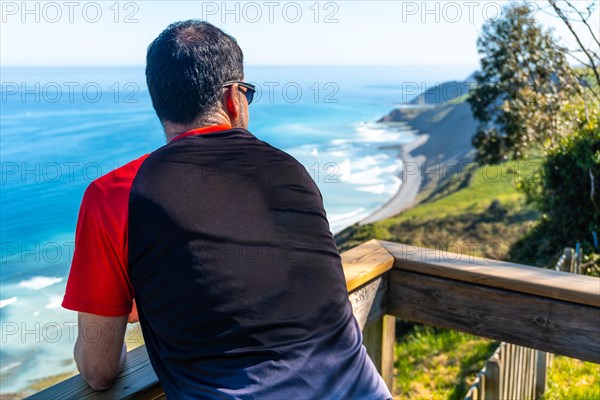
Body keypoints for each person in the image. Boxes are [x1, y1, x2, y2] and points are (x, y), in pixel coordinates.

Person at [62, 20, 392, 399]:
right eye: (247, 94)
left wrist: (135, 294)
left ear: (160, 104)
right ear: (234, 98)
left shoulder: (114, 195)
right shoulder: (290, 171)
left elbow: (99, 369)